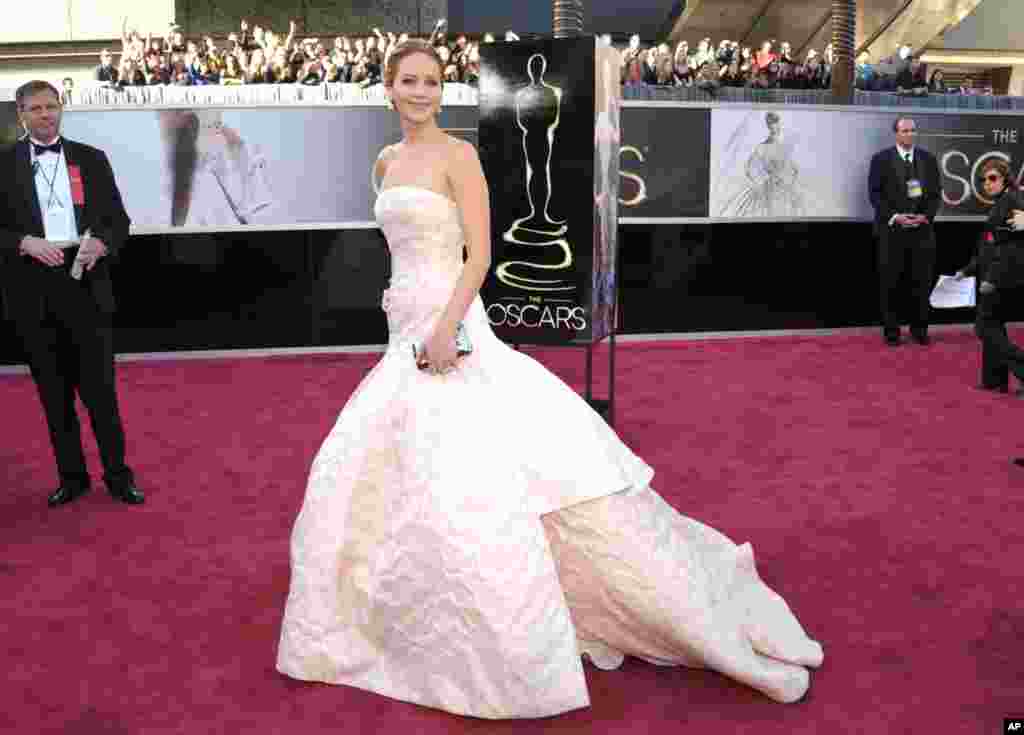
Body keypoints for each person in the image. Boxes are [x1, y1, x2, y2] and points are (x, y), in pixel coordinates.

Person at [275, 40, 823, 719]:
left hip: (452, 325)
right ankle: (406, 614)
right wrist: (411, 321)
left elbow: (479, 252)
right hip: (401, 331)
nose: (421, 91)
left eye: (433, 82)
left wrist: (448, 327)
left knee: (477, 475)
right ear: (388, 88)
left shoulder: (459, 156)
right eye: (409, 81)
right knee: (379, 471)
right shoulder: (386, 162)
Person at [0, 81, 144, 506]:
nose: (45, 115)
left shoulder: (91, 159)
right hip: (32, 288)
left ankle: (118, 476)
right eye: (35, 109)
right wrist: (23, 242)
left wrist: (103, 241)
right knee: (54, 393)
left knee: (101, 392)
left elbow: (119, 220)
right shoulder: (3, 164)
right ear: (20, 114)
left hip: (86, 282)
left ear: (61, 108)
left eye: (51, 106)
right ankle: (72, 477)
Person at [869, 117, 942, 346]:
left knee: (921, 283)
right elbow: (875, 195)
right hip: (892, 232)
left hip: (921, 233)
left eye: (913, 130)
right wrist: (895, 216)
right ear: (896, 134)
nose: (910, 134)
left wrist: (925, 217)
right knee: (891, 283)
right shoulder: (881, 160)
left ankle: (919, 330)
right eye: (905, 131)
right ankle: (892, 332)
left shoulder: (928, 160)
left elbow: (935, 194)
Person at [954, 160, 1024, 393]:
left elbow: (1010, 248)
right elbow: (990, 247)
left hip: (1002, 275)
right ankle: (995, 380)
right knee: (994, 325)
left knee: (984, 327)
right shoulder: (1001, 202)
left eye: (993, 178)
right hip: (994, 273)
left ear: (1005, 179)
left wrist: (992, 278)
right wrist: (968, 270)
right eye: (984, 179)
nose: (987, 183)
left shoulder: (1012, 199)